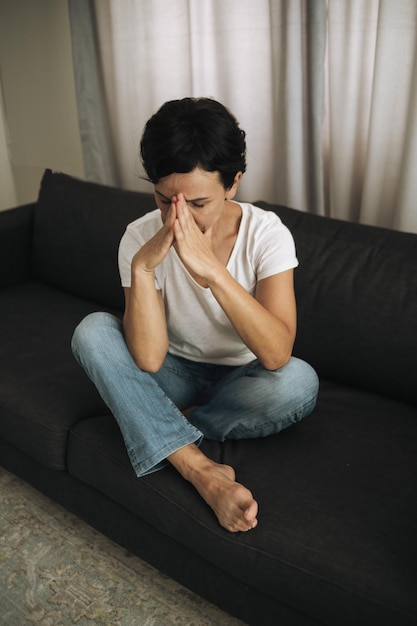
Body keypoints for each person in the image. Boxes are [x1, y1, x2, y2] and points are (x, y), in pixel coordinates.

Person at [71, 97, 319, 533]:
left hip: (241, 378)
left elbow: (276, 354)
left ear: (233, 183)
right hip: (172, 370)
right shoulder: (139, 237)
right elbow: (147, 360)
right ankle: (199, 470)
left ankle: (159, 423)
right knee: (92, 331)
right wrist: (142, 268)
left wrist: (214, 272)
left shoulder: (267, 233)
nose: (178, 216)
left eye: (198, 203)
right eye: (165, 200)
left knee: (299, 382)